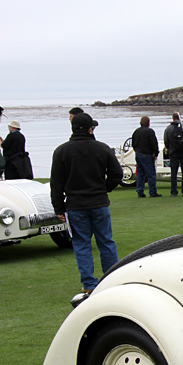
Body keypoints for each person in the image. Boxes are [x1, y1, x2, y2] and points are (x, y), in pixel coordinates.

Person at [50, 113, 121, 293]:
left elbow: (56, 183)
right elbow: (116, 174)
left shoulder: (61, 151)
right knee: (106, 241)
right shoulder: (102, 148)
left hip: (75, 204)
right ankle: (112, 279)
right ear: (91, 129)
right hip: (98, 202)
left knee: (81, 244)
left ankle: (89, 284)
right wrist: (105, 188)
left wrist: (58, 207)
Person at [131, 115, 161, 197]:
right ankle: (152, 192)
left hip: (138, 154)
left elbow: (133, 143)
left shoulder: (136, 132)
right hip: (147, 155)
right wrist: (156, 153)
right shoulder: (150, 131)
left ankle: (140, 192)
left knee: (140, 174)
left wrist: (136, 150)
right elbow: (154, 143)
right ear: (148, 123)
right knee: (151, 174)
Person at [163, 112, 183, 197]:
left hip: (173, 152)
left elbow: (166, 141)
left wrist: (170, 148)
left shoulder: (168, 128)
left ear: (173, 118)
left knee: (173, 172)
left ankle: (173, 191)